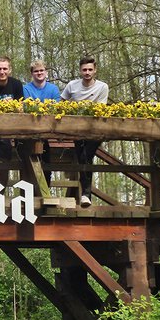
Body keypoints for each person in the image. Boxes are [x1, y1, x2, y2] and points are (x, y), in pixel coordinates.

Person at [61, 56, 110, 207]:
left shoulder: (102, 87)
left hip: (95, 129)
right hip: (77, 129)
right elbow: (62, 102)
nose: (87, 73)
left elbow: (100, 110)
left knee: (86, 155)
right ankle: (85, 195)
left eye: (90, 69)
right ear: (80, 71)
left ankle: (86, 193)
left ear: (95, 70)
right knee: (82, 157)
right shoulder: (72, 85)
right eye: (84, 70)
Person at [22, 59, 62, 188]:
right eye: (36, 71)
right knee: (27, 164)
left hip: (47, 132)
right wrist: (45, 106)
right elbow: (28, 107)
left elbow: (56, 107)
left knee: (46, 164)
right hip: (29, 131)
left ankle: (46, 192)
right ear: (32, 74)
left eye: (41, 70)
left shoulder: (53, 89)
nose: (39, 73)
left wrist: (38, 106)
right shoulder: (26, 88)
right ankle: (28, 196)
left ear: (46, 72)